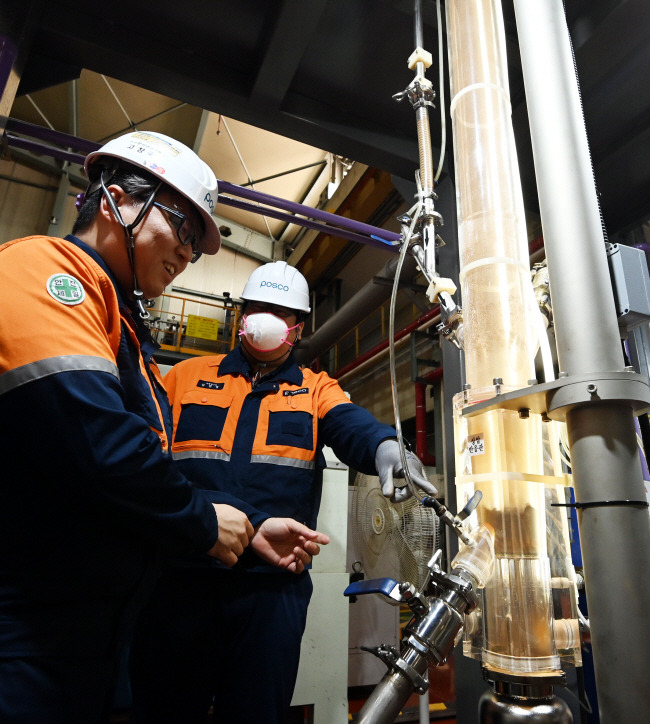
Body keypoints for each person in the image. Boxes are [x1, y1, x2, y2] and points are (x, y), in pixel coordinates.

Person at [0, 132, 327, 724]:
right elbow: (103, 446)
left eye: (197, 248)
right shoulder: (47, 274)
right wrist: (205, 522)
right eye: (181, 227)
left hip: (94, 634)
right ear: (116, 200)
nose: (186, 255)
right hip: (26, 633)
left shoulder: (125, 332)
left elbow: (152, 473)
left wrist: (242, 526)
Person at [129, 260, 438, 724]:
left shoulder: (315, 390)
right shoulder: (184, 376)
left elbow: (351, 425)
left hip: (271, 592)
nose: (266, 319)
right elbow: (147, 462)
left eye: (280, 311)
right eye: (257, 308)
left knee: (256, 713)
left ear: (297, 327)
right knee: (164, 710)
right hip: (182, 579)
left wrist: (386, 446)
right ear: (241, 315)